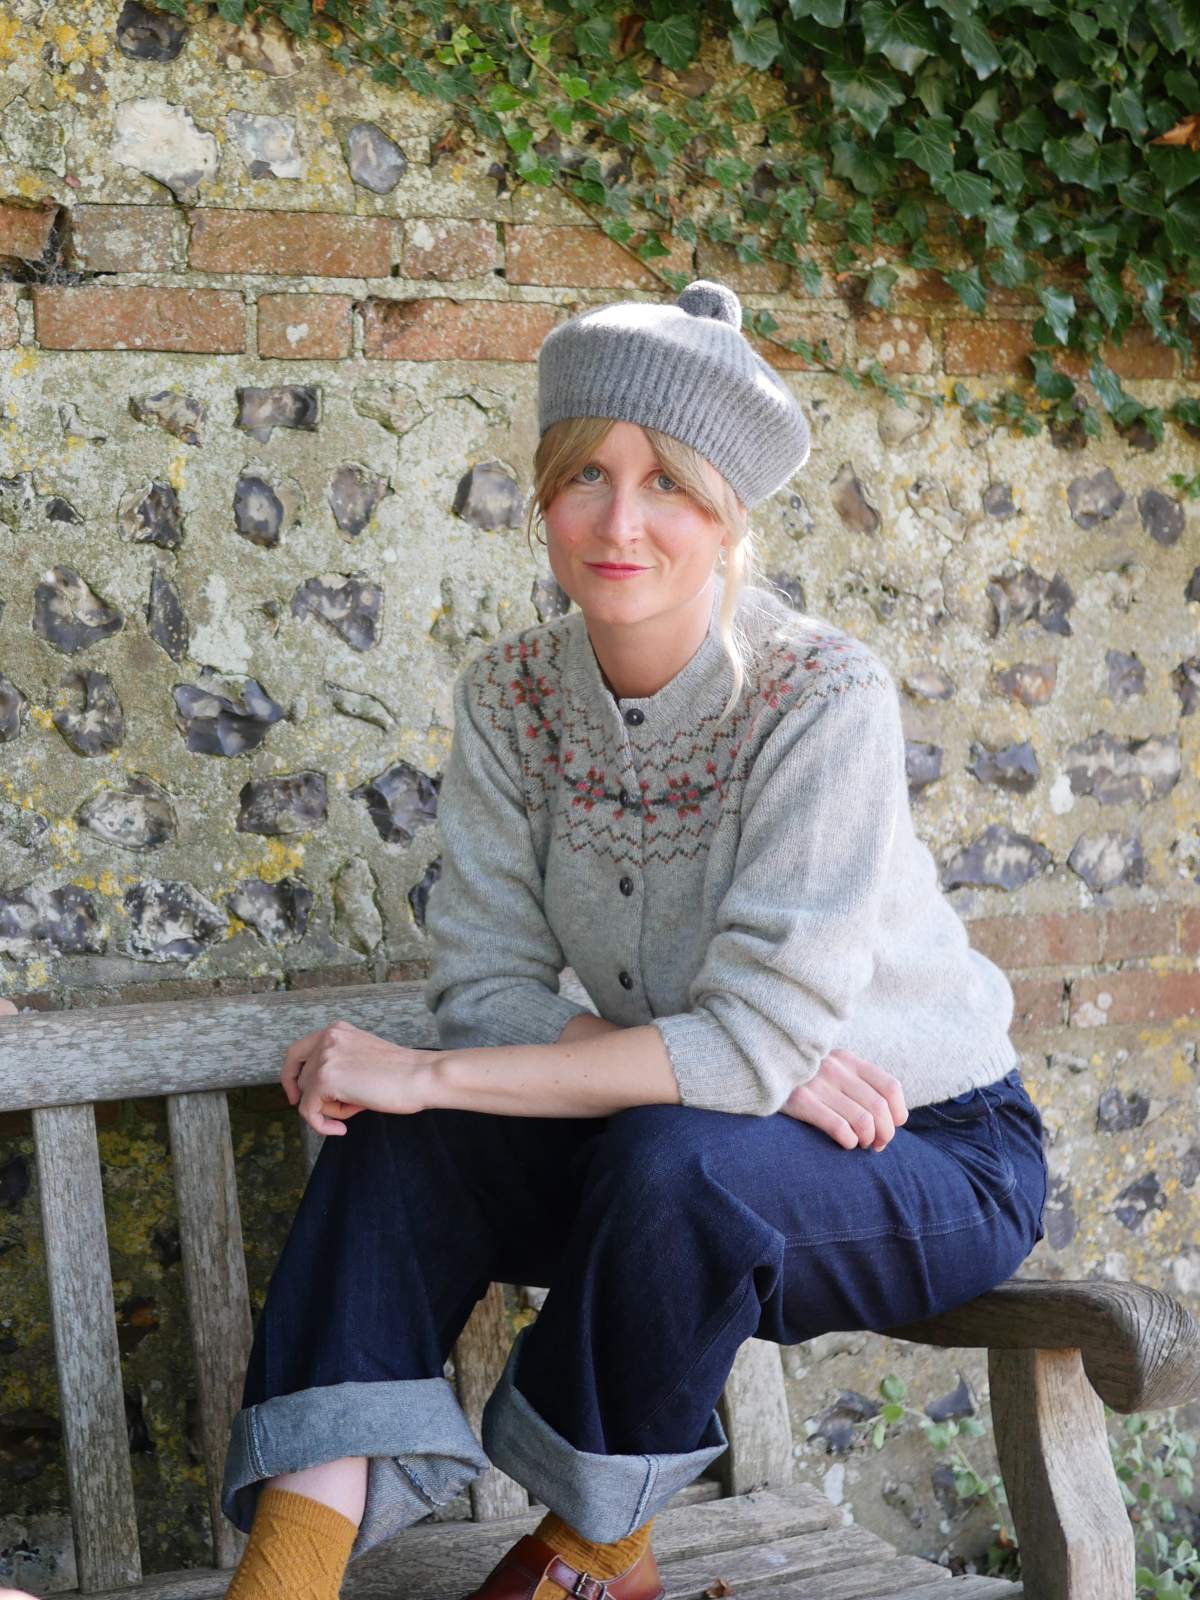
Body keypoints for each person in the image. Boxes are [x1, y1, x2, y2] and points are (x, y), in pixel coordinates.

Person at [218, 279, 1048, 1600]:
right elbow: (491, 988)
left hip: (929, 1147)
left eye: (669, 482)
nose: (619, 521)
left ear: (730, 518)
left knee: (679, 1155)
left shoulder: (821, 697)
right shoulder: (512, 701)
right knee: (411, 1143)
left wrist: (737, 1069)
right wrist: (735, 1068)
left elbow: (745, 1045)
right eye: (584, 475)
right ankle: (285, 1577)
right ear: (542, 495)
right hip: (686, 1146)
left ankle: (595, 1553)